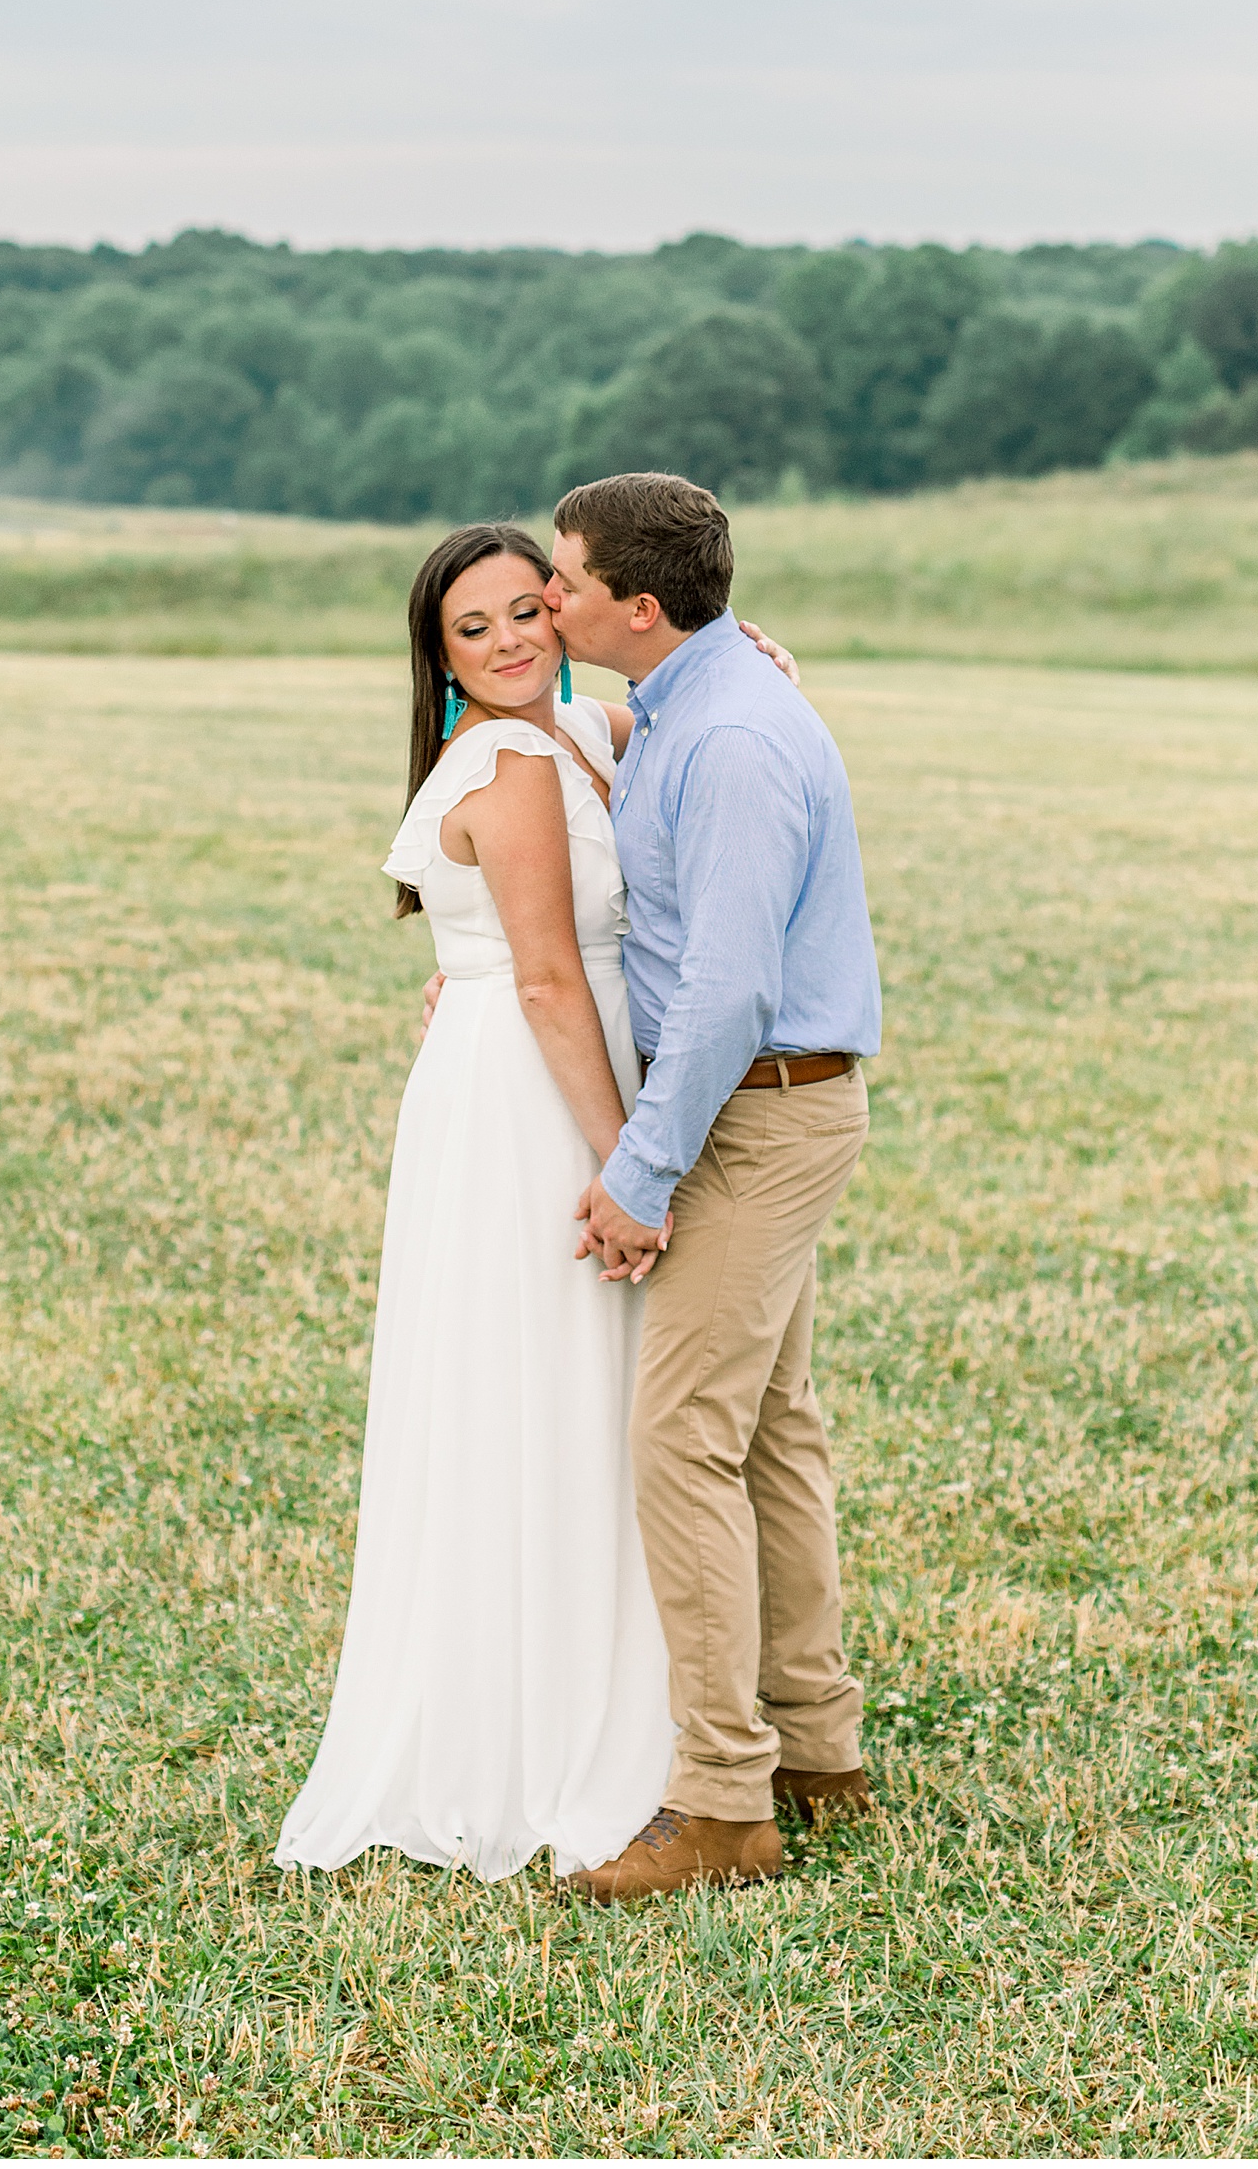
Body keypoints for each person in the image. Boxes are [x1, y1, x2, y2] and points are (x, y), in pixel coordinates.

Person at [274, 522, 801, 1882]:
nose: (509, 639)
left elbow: (674, 688)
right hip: (535, 1104)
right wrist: (630, 1161)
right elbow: (554, 979)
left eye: (527, 608)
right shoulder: (508, 764)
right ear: (437, 656)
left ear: (567, 610)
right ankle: (560, 1733)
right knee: (550, 1390)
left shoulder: (579, 729)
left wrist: (749, 653)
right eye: (475, 628)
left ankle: (656, 1715)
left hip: (537, 1069)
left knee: (587, 1391)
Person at [542, 471, 882, 1904]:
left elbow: (732, 988)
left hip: (756, 1117)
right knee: (768, 1430)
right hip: (761, 1109)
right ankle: (819, 1755)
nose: (546, 599)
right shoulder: (693, 697)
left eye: (562, 579)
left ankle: (722, 1798)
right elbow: (492, 727)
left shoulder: (731, 737)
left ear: (638, 601)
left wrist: (640, 1169)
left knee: (680, 1438)